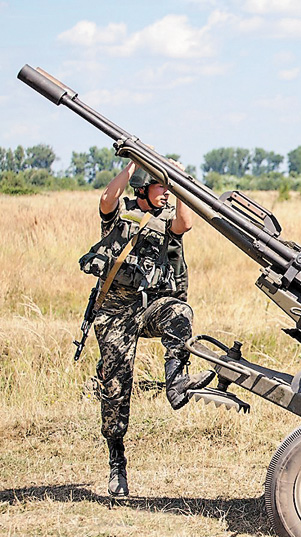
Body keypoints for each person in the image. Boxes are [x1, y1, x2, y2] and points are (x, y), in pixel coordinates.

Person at [80, 160, 214, 497]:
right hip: (115, 311)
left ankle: (176, 380)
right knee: (115, 389)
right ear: (142, 188)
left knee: (179, 312)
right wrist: (132, 163)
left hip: (149, 306)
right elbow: (107, 197)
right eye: (160, 187)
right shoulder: (119, 213)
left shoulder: (166, 219)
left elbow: (186, 223)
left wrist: (179, 183)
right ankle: (117, 462)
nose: (166, 194)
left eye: (168, 189)